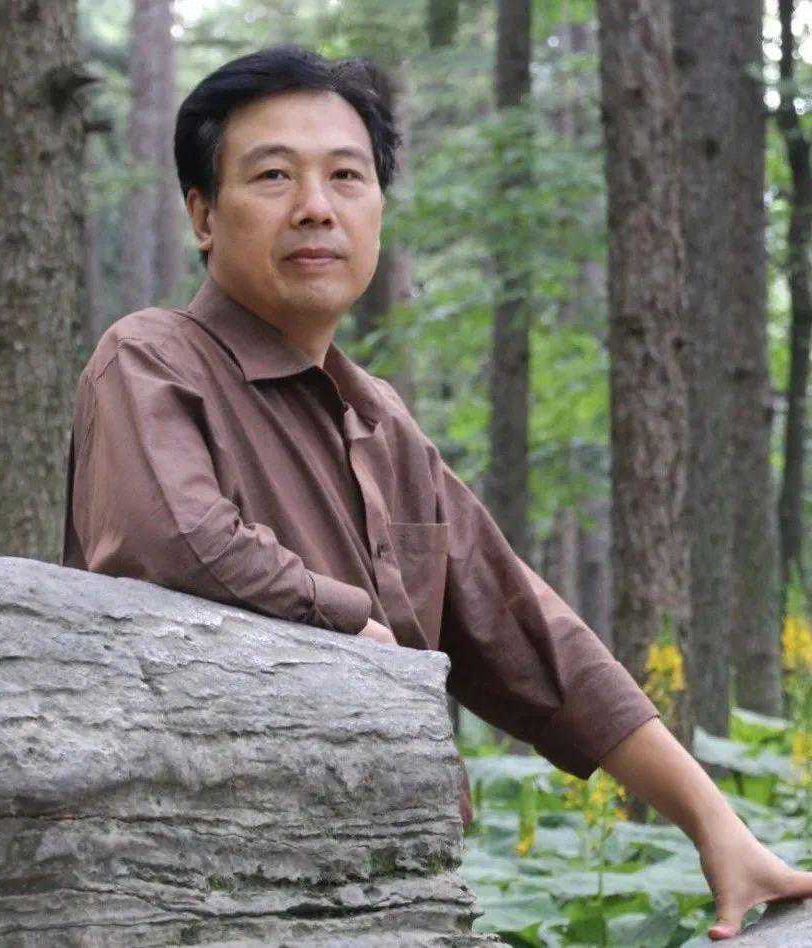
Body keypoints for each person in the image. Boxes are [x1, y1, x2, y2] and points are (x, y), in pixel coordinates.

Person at [62, 44, 812, 941]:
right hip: (201, 899)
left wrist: (714, 825)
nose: (316, 207)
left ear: (378, 208)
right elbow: (171, 538)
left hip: (395, 893)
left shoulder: (381, 421)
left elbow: (532, 637)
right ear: (202, 215)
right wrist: (353, 622)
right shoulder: (152, 361)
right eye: (273, 175)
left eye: (347, 176)